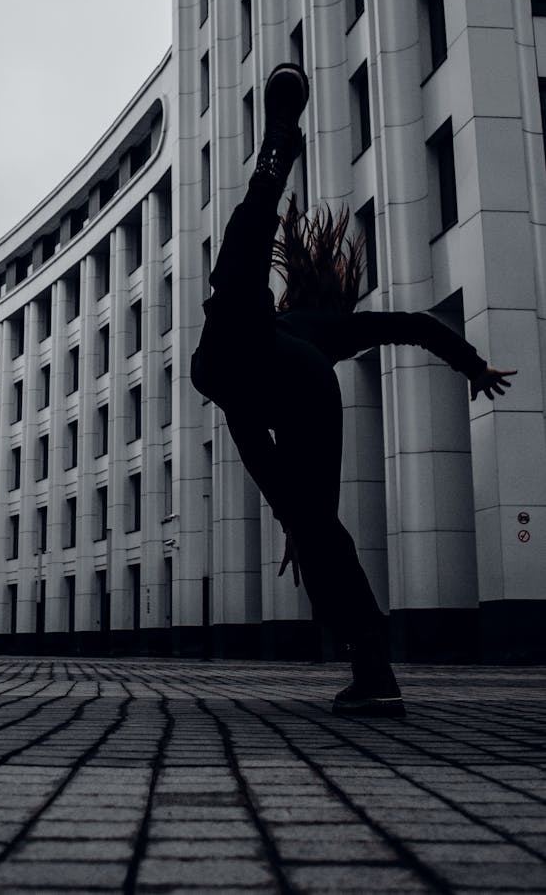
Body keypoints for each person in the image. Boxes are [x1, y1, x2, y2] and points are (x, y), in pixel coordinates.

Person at [191, 63, 516, 717]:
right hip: (307, 388)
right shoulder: (321, 330)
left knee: (238, 273)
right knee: (322, 535)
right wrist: (470, 363)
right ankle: (373, 667)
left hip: (241, 362)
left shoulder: (286, 332)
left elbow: (257, 451)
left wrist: (290, 510)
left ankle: (277, 153)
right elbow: (410, 325)